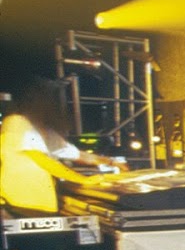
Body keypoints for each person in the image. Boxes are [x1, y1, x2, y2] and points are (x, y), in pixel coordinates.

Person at [1, 77, 126, 212]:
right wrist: (82, 180)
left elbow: (76, 154)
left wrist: (111, 162)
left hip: (38, 202)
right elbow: (41, 159)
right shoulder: (17, 122)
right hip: (19, 200)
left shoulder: (44, 131)